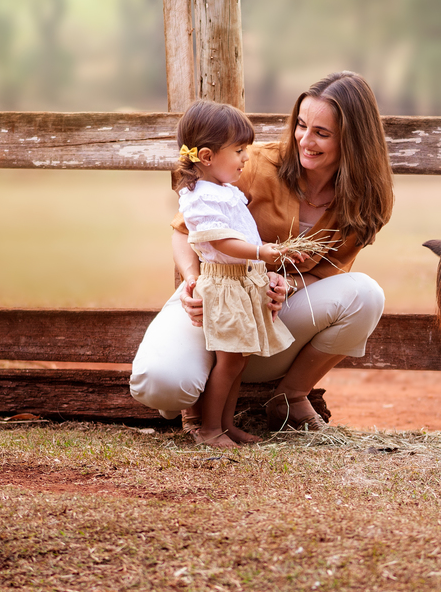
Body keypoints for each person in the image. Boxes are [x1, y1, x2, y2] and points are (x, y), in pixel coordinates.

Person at [130, 71, 395, 433]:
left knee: (366, 295)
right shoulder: (250, 163)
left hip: (270, 313)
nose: (305, 140)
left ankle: (290, 397)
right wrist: (193, 283)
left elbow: (329, 274)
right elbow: (183, 230)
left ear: (353, 139)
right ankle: (194, 404)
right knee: (160, 385)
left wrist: (285, 286)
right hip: (212, 297)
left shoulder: (366, 199)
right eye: (301, 125)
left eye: (322, 133)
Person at [172, 100, 303, 447]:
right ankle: (209, 428)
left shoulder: (224, 191)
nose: (247, 157)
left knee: (239, 361)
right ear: (207, 156)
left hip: (241, 282)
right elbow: (222, 241)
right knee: (228, 363)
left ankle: (226, 426)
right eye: (240, 150)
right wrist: (261, 252)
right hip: (225, 283)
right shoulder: (201, 198)